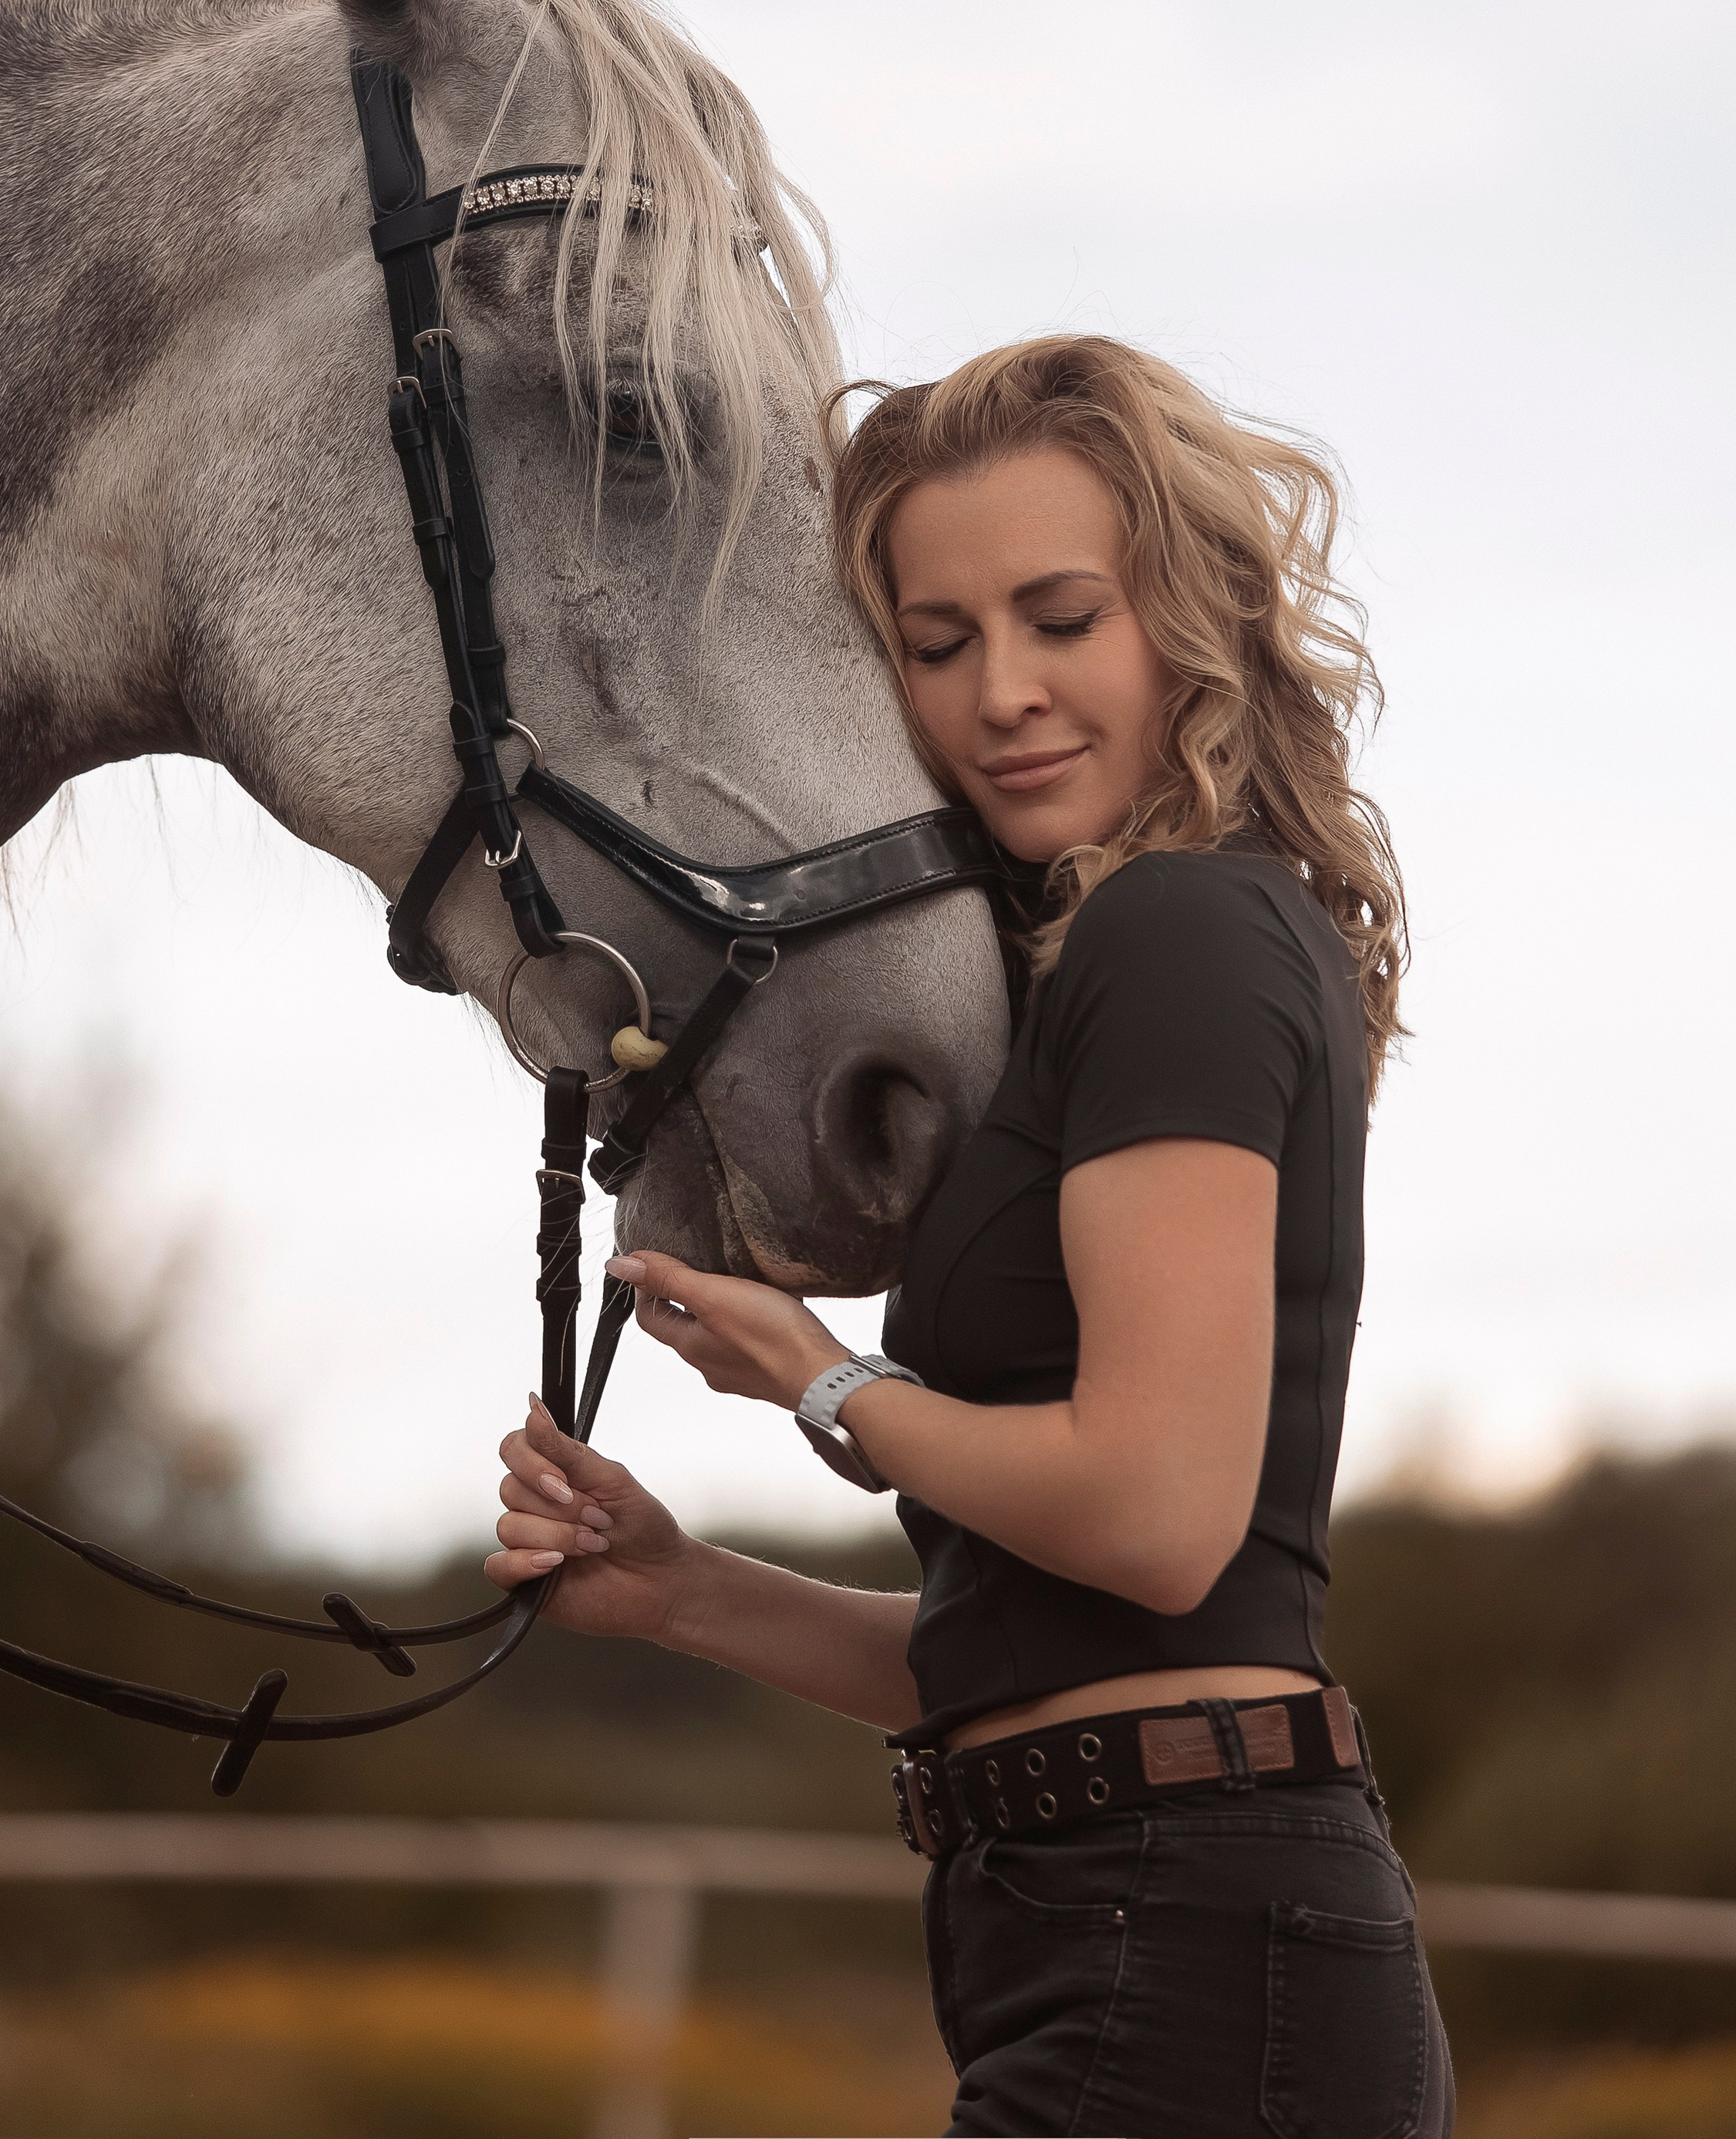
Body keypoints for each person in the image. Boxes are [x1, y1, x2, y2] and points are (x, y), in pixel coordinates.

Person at [486, 334, 1453, 2137]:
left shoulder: (1177, 934)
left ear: (1186, 621)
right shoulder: (1115, 967)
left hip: (1187, 1948)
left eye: (1060, 618)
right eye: (937, 647)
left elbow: (1157, 1520)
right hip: (1112, 1925)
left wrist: (824, 1378)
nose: (1001, 691)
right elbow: (1043, 1645)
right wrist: (686, 1591)